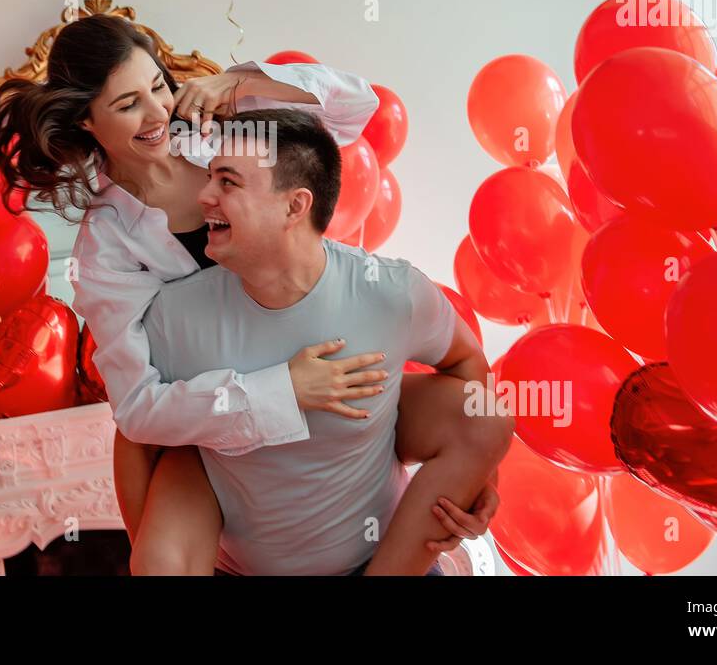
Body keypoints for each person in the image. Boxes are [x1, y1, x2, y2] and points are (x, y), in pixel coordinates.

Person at [0, 14, 499, 574]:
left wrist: (240, 84)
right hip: (215, 409)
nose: (158, 113)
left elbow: (355, 110)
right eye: (128, 104)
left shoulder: (222, 129)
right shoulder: (106, 246)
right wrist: (280, 391)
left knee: (482, 417)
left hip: (322, 346)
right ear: (86, 121)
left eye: (158, 85)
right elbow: (139, 408)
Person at [142, 108, 513, 575]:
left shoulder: (390, 292)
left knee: (483, 413)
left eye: (228, 182)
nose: (205, 195)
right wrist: (146, 548)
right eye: (210, 177)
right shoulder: (174, 316)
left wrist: (484, 478)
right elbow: (135, 434)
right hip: (240, 568)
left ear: (294, 206)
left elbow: (466, 361)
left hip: (380, 560)